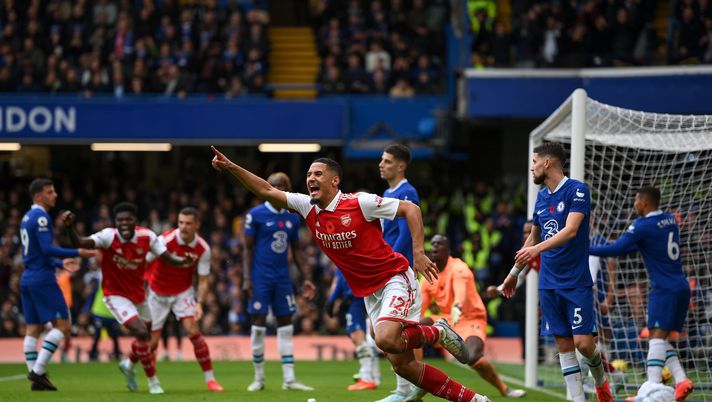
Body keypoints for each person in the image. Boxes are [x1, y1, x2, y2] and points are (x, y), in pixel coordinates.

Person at [211, 146, 491, 402]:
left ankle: (437, 333)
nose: (311, 178)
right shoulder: (306, 206)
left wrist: (418, 252)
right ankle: (474, 400)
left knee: (384, 338)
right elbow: (265, 191)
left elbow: (411, 209)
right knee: (403, 365)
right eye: (308, 174)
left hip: (395, 277)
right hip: (370, 291)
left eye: (318, 173)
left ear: (335, 180)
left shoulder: (360, 202)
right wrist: (232, 167)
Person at [498, 142, 613, 402]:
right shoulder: (541, 197)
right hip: (548, 283)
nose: (532, 167)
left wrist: (536, 249)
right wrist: (514, 272)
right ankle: (577, 398)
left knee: (584, 344)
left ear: (547, 163)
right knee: (564, 346)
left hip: (575, 281)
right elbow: (534, 237)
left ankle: (600, 382)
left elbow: (571, 230)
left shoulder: (577, 191)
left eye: (535, 161)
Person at [63, 202, 194, 394]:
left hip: (139, 294)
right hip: (115, 295)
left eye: (128, 219)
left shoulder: (147, 236)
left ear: (135, 221)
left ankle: (129, 366)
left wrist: (183, 261)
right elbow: (81, 243)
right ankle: (153, 382)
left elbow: (166, 257)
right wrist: (69, 227)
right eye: (120, 220)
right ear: (116, 222)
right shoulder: (108, 236)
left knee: (146, 336)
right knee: (141, 332)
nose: (124, 223)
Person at [589, 186, 693, 402]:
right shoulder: (670, 220)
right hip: (681, 287)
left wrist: (585, 249)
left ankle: (651, 390)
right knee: (661, 339)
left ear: (645, 203)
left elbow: (617, 249)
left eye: (636, 200)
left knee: (655, 338)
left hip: (663, 289)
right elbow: (642, 247)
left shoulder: (642, 225)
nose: (634, 204)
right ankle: (682, 380)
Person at [413, 234, 526, 400]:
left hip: (470, 318)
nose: (434, 247)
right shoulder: (430, 272)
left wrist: (457, 305)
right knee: (415, 326)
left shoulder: (459, 268)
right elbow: (420, 305)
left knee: (472, 358)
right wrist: (410, 320)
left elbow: (461, 292)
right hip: (447, 319)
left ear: (448, 249)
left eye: (439, 244)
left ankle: (504, 389)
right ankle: (416, 383)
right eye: (433, 244)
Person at [243, 172, 316, 392]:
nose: (277, 189)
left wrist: (306, 278)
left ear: (288, 188)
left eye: (282, 186)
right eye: (273, 185)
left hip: (283, 278)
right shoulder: (255, 214)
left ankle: (289, 379)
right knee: (258, 326)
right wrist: (247, 278)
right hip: (260, 278)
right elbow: (247, 249)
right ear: (266, 187)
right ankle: (259, 378)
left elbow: (297, 251)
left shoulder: (292, 216)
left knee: (286, 326)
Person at [19, 178, 93, 391]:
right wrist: (77, 252)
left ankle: (37, 379)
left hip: (28, 278)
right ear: (39, 196)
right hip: (42, 279)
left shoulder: (26, 217)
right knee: (64, 326)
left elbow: (37, 253)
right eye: (50, 192)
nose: (55, 195)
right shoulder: (41, 217)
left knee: (33, 329)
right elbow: (47, 248)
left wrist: (61, 263)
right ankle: (38, 371)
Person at [145, 206, 224, 392]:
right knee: (152, 342)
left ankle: (210, 380)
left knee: (193, 331)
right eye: (180, 222)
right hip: (157, 293)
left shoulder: (202, 248)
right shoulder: (164, 240)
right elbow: (144, 260)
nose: (183, 227)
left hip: (182, 292)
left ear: (197, 225)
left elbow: (203, 281)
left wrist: (199, 304)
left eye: (188, 223)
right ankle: (151, 380)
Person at [376, 143, 423, 402]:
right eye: (381, 160)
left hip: (397, 271)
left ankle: (404, 391)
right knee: (385, 333)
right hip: (388, 269)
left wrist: (386, 264)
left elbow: (406, 235)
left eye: (387, 161)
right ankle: (411, 386)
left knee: (387, 332)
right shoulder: (388, 191)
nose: (381, 165)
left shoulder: (408, 192)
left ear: (401, 166)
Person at [326, 268, 379, 390]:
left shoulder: (342, 259)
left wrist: (332, 301)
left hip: (354, 299)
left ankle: (367, 378)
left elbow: (340, 282)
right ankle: (371, 376)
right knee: (365, 336)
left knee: (357, 336)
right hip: (363, 296)